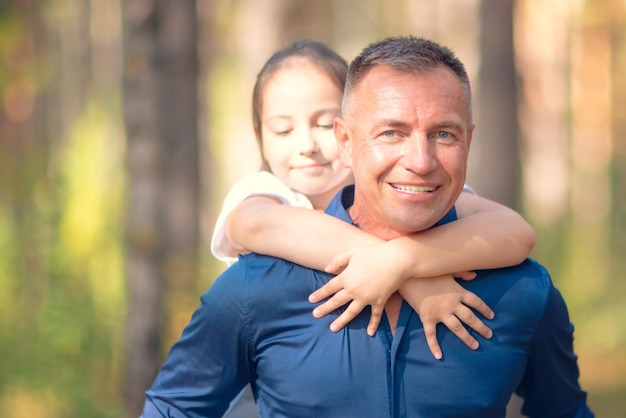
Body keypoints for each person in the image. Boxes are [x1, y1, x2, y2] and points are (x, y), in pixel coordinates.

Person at [142, 36, 593, 417]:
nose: (420, 162)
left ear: (468, 141)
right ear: (347, 141)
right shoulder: (255, 284)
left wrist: (404, 261)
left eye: (443, 134)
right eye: (391, 133)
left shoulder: (524, 292)